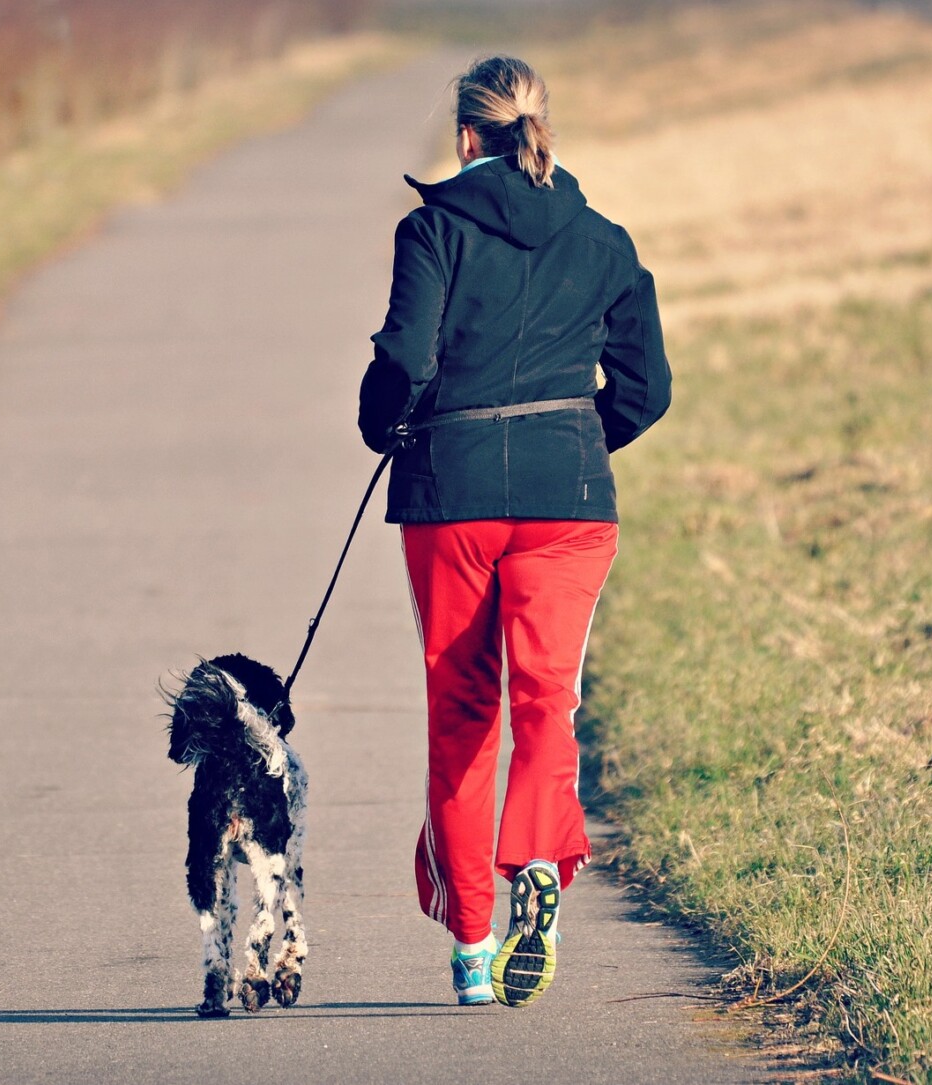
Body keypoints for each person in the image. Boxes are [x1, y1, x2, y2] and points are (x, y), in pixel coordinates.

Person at [359, 55, 670, 1008]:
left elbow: (404, 361)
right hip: (569, 500)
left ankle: (472, 949)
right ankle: (534, 856)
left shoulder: (432, 231)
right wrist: (576, 438)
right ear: (542, 130)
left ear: (465, 136)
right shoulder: (606, 241)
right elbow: (647, 389)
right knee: (546, 703)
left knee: (462, 718)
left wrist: (385, 426)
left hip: (450, 500)